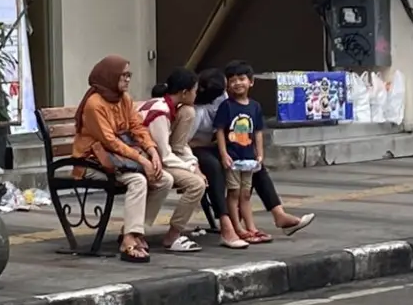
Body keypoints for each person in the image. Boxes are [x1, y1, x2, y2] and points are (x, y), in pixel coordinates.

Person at [192, 67, 315, 246]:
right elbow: (184, 142)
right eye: (228, 84)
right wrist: (219, 147)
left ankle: (278, 214)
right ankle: (228, 224)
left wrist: (258, 153)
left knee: (255, 165)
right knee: (216, 168)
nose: (231, 87)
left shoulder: (227, 99)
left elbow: (254, 130)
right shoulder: (196, 112)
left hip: (226, 144)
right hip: (200, 149)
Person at [72, 55, 170, 263]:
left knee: (164, 180)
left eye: (129, 75)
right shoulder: (94, 104)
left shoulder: (123, 98)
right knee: (138, 180)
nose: (127, 79)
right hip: (91, 161)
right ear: (110, 76)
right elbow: (109, 141)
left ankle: (134, 231)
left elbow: (137, 127)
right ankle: (128, 241)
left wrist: (152, 151)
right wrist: (142, 160)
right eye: (123, 75)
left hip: (118, 159)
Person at [138, 69, 208, 252]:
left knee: (194, 179)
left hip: (157, 159)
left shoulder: (170, 107)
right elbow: (164, 155)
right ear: (184, 92)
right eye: (194, 90)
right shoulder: (160, 113)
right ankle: (172, 234)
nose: (196, 94)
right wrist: (191, 169)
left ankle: (141, 231)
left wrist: (193, 164)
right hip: (146, 160)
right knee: (196, 184)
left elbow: (178, 146)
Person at [214, 61, 267, 243]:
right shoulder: (226, 106)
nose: (237, 83)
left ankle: (251, 226)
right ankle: (237, 227)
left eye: (241, 79)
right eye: (233, 80)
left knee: (246, 193)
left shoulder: (255, 107)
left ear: (251, 82)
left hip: (249, 158)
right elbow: (220, 130)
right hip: (233, 157)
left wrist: (259, 153)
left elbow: (258, 132)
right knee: (234, 192)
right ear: (227, 84)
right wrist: (223, 154)